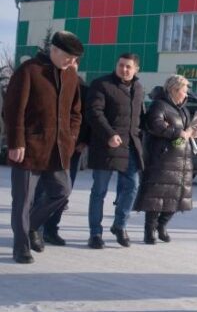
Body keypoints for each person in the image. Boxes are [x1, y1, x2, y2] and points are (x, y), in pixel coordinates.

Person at [3, 31, 84, 263]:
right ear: (54, 50)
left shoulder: (71, 76)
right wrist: (16, 142)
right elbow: (12, 110)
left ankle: (30, 225)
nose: (72, 62)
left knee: (62, 192)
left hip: (58, 150)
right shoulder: (29, 70)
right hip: (29, 148)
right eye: (68, 57)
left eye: (75, 59)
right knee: (23, 200)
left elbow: (76, 112)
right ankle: (21, 247)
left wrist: (71, 136)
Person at [85, 53, 145, 249]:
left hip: (130, 147)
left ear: (136, 69)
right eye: (121, 65)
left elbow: (140, 117)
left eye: (128, 66)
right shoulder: (102, 84)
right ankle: (95, 233)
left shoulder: (138, 88)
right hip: (106, 146)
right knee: (99, 191)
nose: (124, 69)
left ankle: (120, 225)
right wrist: (109, 134)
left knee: (132, 186)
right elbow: (94, 112)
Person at [134, 75, 197, 244]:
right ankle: (149, 230)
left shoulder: (184, 110)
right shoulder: (159, 105)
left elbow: (187, 130)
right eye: (184, 90)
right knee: (156, 197)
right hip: (162, 158)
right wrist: (178, 133)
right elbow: (155, 125)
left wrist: (195, 132)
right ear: (174, 90)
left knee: (176, 197)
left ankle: (162, 226)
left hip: (182, 159)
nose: (186, 94)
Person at [31, 59, 89, 249]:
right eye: (66, 61)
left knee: (64, 192)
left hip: (72, 149)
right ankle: (35, 229)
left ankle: (51, 229)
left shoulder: (82, 87)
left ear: (77, 65)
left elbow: (85, 116)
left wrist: (82, 141)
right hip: (49, 148)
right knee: (43, 190)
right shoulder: (48, 82)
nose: (69, 65)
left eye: (73, 62)